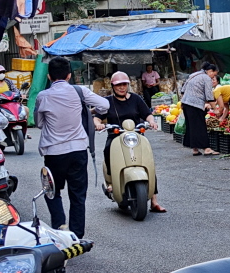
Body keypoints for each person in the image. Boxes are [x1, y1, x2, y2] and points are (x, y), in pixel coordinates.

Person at [34, 55, 109, 237]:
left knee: (52, 191)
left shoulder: (43, 96)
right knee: (77, 195)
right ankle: (76, 235)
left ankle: (60, 228)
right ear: (69, 75)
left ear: (50, 77)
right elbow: (104, 105)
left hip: (54, 154)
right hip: (78, 151)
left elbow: (38, 123)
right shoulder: (79, 91)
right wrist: (90, 111)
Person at [94, 71, 166, 213]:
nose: (121, 87)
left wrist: (152, 122)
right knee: (107, 150)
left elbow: (147, 114)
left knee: (147, 162)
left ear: (128, 85)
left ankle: (154, 201)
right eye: (118, 85)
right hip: (116, 136)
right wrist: (98, 124)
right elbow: (97, 117)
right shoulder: (107, 101)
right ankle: (111, 182)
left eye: (124, 84)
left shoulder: (136, 99)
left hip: (136, 136)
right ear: (113, 86)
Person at [181, 62, 219, 156]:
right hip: (195, 104)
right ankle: (207, 148)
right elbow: (209, 95)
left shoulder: (194, 74)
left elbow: (183, 89)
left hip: (186, 103)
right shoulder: (206, 78)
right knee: (200, 126)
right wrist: (215, 109)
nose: (213, 78)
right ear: (210, 71)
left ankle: (195, 149)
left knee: (191, 126)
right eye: (213, 75)